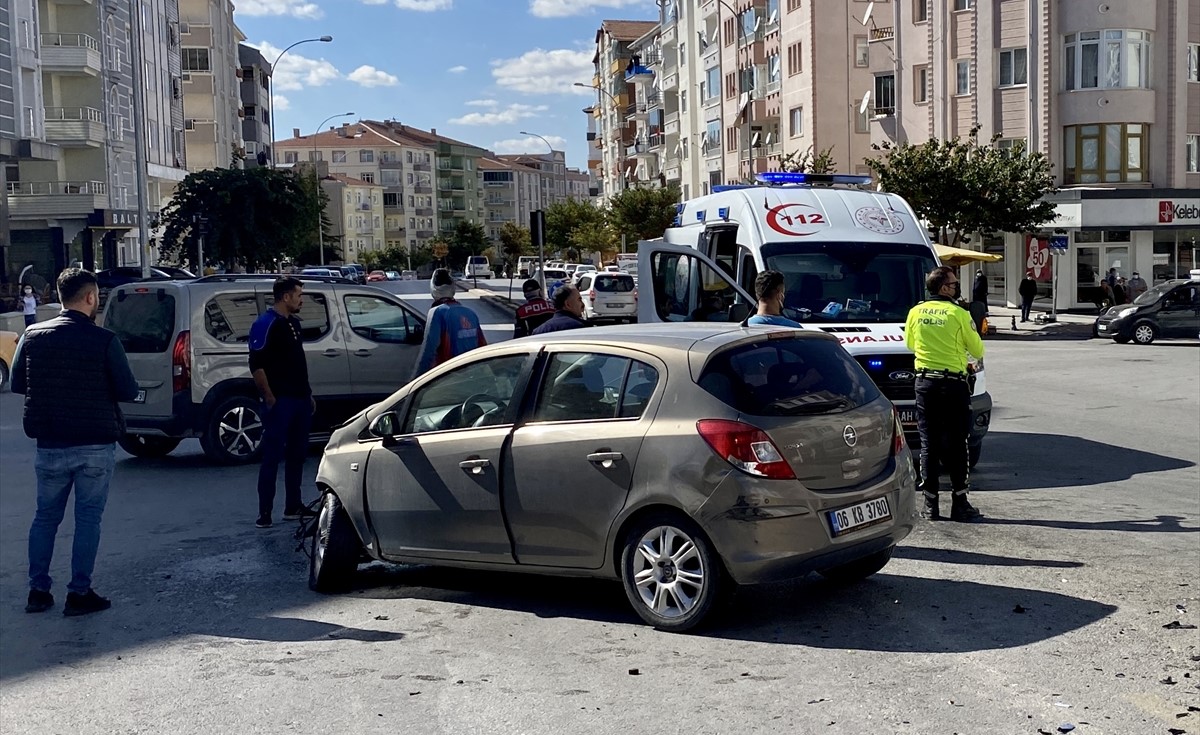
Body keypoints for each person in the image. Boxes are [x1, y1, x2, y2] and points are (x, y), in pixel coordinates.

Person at [11, 268, 138, 616]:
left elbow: (18, 383)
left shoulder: (33, 335)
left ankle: (38, 591)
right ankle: (79, 593)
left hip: (49, 443)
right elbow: (128, 390)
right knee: (87, 520)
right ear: (91, 298)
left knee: (44, 518)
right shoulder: (104, 340)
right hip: (95, 445)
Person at [904, 266, 985, 522]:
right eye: (953, 283)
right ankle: (959, 502)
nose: (957, 286)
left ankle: (930, 505)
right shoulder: (958, 314)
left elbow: (910, 344)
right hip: (953, 384)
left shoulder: (915, 312)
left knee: (929, 443)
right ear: (943, 288)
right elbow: (977, 347)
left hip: (925, 383)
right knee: (958, 443)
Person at [249, 277, 315, 529]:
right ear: (285, 297)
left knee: (297, 455)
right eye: (298, 294)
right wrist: (269, 396)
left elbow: (298, 363)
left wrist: (307, 393)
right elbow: (256, 364)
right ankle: (264, 513)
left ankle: (293, 505)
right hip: (281, 401)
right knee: (272, 457)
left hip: (299, 398)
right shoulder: (266, 324)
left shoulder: (294, 324)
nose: (301, 299)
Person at [415, 268, 487, 376]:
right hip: (473, 377)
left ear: (433, 288)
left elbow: (428, 353)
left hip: (449, 380)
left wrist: (415, 383)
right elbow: (482, 348)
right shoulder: (471, 313)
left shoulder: (437, 313)